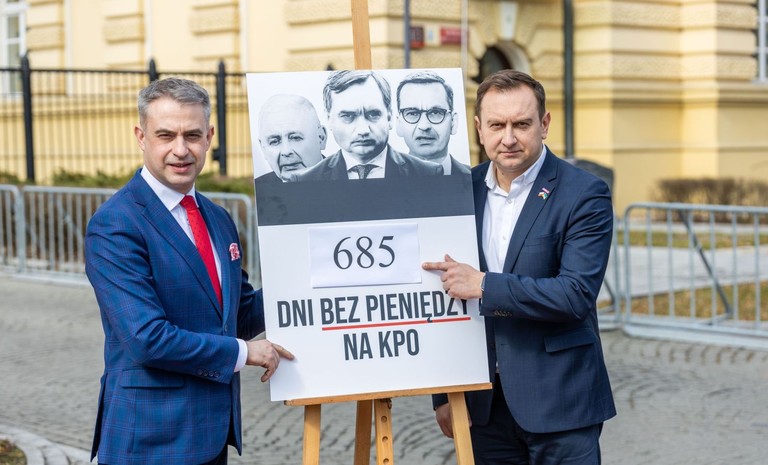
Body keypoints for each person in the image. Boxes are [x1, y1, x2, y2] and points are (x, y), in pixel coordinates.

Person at [85, 77, 294, 465]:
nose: (180, 150)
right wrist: (244, 352)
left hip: (211, 436)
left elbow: (235, 317)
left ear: (209, 137)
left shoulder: (218, 218)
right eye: (165, 135)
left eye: (192, 135)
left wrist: (302, 280)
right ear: (141, 137)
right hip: (149, 440)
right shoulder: (116, 224)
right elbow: (146, 338)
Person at [423, 70, 616, 464]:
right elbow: (437, 288)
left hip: (561, 401)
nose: (508, 138)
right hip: (482, 405)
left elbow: (574, 295)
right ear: (479, 129)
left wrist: (484, 285)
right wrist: (443, 395)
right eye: (497, 125)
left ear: (544, 124)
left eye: (521, 124)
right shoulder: (459, 192)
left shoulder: (584, 193)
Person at [291, 70, 443, 181]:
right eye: (348, 116)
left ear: (389, 116)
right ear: (329, 119)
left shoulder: (428, 174)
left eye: (373, 114)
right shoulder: (305, 181)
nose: (363, 130)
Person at [395, 70, 470, 176]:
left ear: (453, 122)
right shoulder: (382, 180)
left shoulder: (473, 178)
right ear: (399, 124)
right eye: (412, 113)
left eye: (435, 112)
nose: (424, 126)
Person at [256, 93, 327, 182]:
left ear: (321, 138)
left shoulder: (344, 179)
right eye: (274, 142)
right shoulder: (259, 187)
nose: (286, 152)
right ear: (263, 148)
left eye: (295, 138)